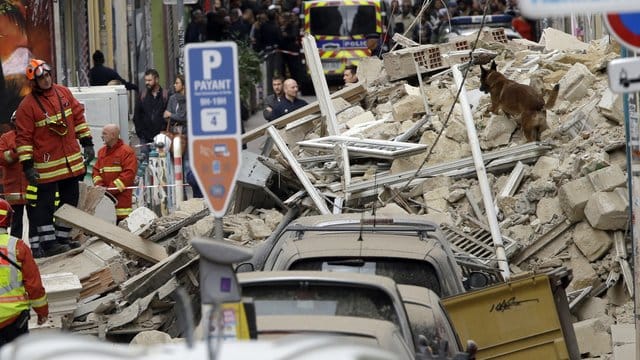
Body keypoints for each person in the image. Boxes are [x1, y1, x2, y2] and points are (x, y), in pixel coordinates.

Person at [15, 59, 94, 257]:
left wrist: (87, 142)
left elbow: (78, 117)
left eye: (48, 75)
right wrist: (27, 166)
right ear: (34, 82)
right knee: (45, 204)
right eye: (41, 78)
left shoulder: (63, 93)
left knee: (71, 199)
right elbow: (23, 138)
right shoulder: (27, 106)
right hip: (47, 165)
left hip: (70, 161)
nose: (46, 80)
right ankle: (49, 244)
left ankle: (62, 238)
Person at [0, 198, 48, 346]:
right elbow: (34, 286)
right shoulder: (17, 246)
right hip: (13, 320)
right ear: (7, 219)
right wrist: (42, 312)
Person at [0, 112, 40, 257]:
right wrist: (18, 150)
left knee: (35, 219)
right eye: (17, 121)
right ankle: (14, 252)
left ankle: (36, 249)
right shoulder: (6, 138)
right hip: (13, 188)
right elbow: (3, 159)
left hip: (32, 186)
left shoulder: (34, 136)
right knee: (16, 223)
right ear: (13, 122)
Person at [92, 124, 137, 223]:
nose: (102, 136)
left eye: (104, 133)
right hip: (104, 203)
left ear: (113, 135)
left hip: (121, 205)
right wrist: (100, 187)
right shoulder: (101, 152)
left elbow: (128, 175)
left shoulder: (126, 152)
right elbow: (96, 172)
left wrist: (109, 191)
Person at [133, 69, 169, 154]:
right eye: (145, 80)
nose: (147, 83)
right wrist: (140, 134)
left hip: (161, 137)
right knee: (145, 160)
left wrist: (164, 131)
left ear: (156, 79)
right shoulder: (142, 95)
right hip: (145, 138)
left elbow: (168, 116)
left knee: (161, 162)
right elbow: (137, 115)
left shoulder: (165, 95)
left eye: (149, 80)